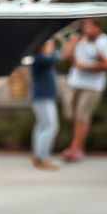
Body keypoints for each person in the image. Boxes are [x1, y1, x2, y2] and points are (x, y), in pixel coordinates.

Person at [60, 18, 107, 162]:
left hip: (92, 86)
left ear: (98, 28)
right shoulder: (80, 39)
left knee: (81, 116)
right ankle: (76, 147)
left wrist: (87, 67)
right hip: (75, 82)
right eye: (85, 26)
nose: (86, 29)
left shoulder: (104, 42)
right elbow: (65, 56)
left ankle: (75, 149)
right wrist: (72, 43)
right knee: (71, 115)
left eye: (89, 26)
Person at [30, 39, 60, 170]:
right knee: (50, 126)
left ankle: (38, 156)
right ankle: (43, 158)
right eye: (49, 44)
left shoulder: (41, 59)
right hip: (43, 98)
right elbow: (56, 58)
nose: (52, 46)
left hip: (43, 98)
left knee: (42, 127)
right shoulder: (41, 59)